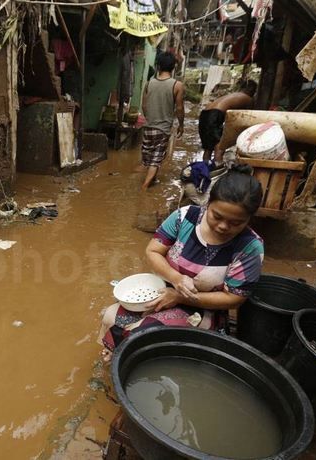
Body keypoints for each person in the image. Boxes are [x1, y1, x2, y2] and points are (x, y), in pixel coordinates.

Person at [100, 165, 264, 356]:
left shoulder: (250, 247)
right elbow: (153, 251)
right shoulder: (184, 217)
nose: (223, 226)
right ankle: (110, 357)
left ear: (249, 219)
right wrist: (176, 279)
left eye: (236, 223)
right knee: (110, 316)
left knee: (141, 335)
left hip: (204, 307)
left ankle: (127, 363)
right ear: (208, 203)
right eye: (217, 216)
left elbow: (234, 298)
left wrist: (181, 297)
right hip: (162, 290)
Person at [140, 51, 185, 191]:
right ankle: (144, 187)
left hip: (148, 127)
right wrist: (181, 125)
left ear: (158, 66)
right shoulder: (177, 85)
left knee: (149, 158)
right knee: (156, 158)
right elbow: (179, 108)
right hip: (163, 129)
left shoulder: (149, 84)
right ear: (173, 67)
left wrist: (151, 117)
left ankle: (152, 179)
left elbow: (144, 106)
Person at [199, 80, 257, 164]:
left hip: (204, 114)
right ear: (251, 89)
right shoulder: (248, 99)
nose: (254, 93)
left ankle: (205, 168)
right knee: (220, 146)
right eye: (254, 91)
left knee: (208, 147)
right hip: (215, 114)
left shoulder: (233, 95)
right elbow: (248, 118)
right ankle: (217, 168)